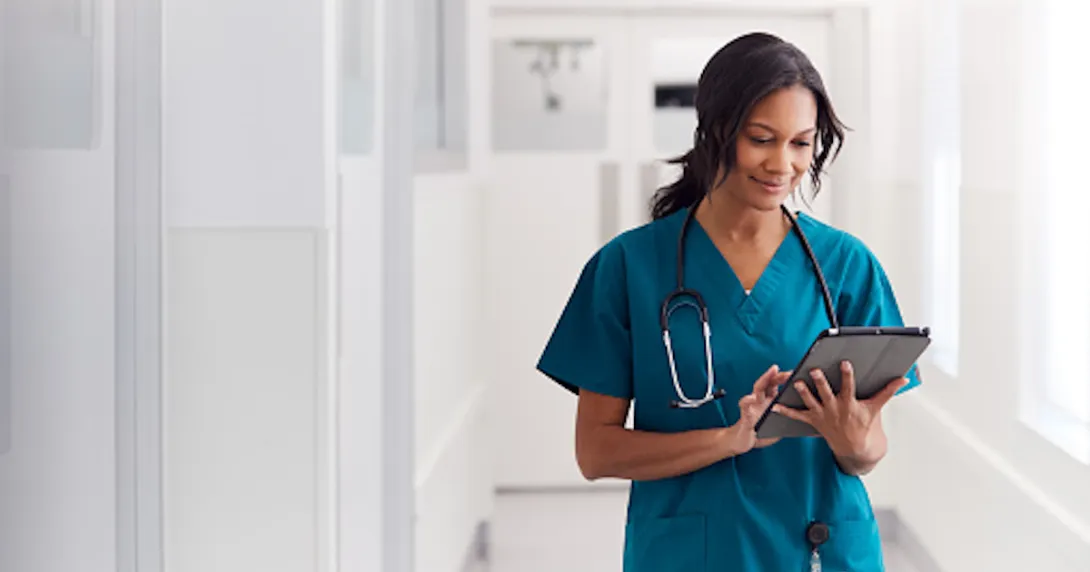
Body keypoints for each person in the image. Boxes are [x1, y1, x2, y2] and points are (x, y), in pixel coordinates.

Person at [535, 32, 920, 572]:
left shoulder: (846, 267)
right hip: (691, 553)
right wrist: (729, 439)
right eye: (761, 138)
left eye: (801, 143)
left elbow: (869, 449)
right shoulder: (627, 269)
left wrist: (854, 440)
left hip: (820, 547)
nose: (783, 164)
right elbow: (596, 453)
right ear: (715, 131)